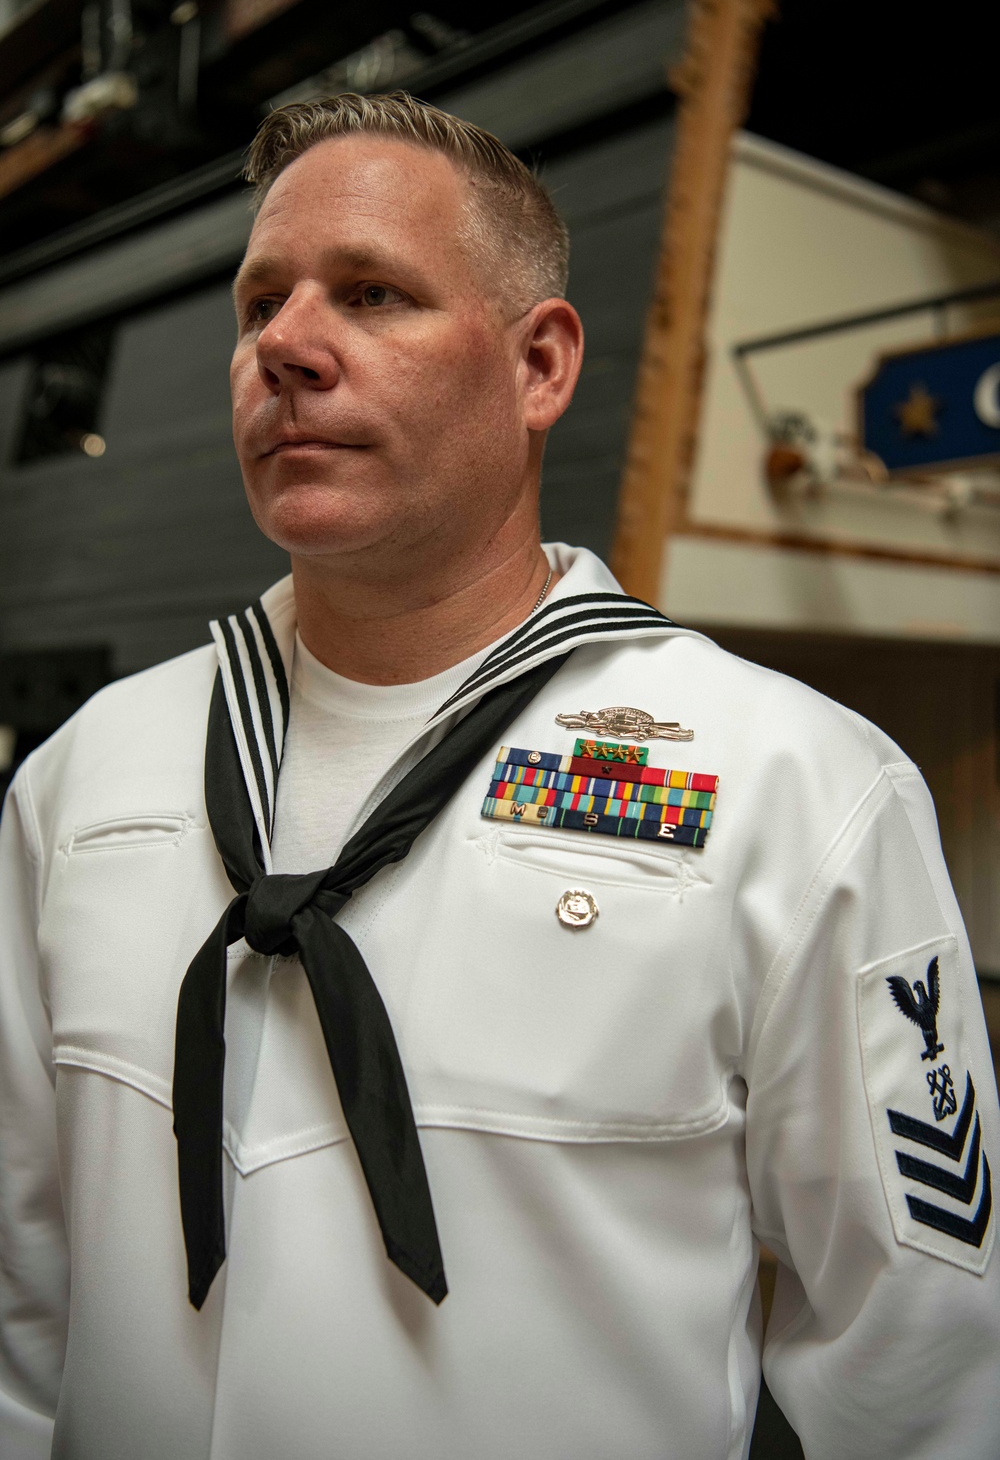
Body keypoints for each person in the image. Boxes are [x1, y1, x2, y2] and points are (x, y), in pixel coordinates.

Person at [1, 91, 998, 1460]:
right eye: (261, 302)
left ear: (540, 366)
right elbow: (22, 1291)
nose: (286, 345)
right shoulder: (81, 786)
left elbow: (927, 1367)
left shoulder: (794, 789)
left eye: (372, 294)